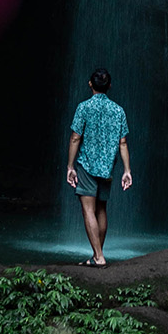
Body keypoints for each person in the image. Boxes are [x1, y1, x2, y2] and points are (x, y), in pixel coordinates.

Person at [66, 67, 131, 266]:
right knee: (101, 208)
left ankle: (98, 257)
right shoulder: (118, 110)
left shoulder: (83, 107)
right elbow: (123, 143)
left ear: (90, 84)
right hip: (107, 168)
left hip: (87, 164)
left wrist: (70, 166)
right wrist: (127, 170)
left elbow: (76, 137)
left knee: (88, 210)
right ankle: (97, 254)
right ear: (109, 86)